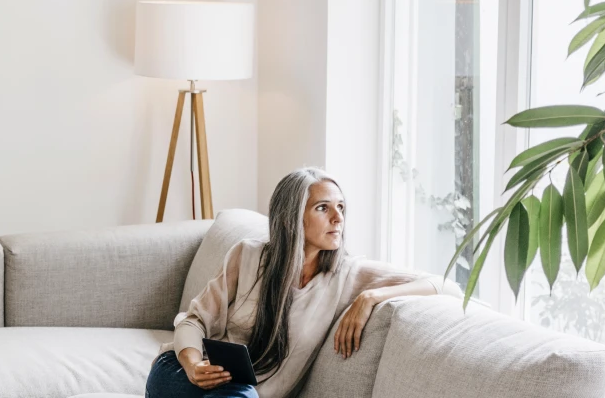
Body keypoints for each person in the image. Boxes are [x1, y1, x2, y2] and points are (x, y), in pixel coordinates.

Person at [144, 167, 453, 398]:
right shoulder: (248, 256)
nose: (337, 218)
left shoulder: (347, 274)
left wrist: (369, 298)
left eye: (341, 207)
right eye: (323, 207)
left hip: (242, 395)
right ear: (290, 218)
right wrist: (193, 364)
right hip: (182, 375)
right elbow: (194, 320)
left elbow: (444, 286)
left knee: (241, 395)